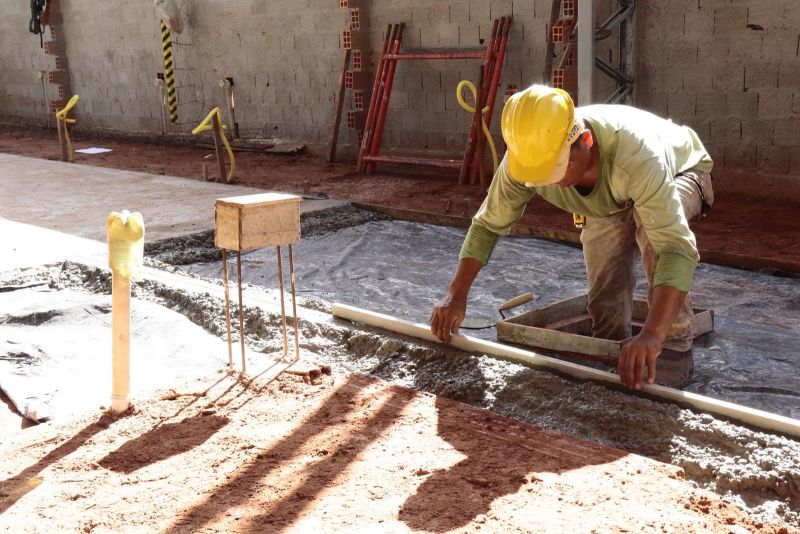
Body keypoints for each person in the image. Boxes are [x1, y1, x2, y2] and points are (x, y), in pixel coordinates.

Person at [430, 85, 714, 390]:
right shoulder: (526, 157)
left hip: (682, 173)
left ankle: (674, 348)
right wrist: (456, 295)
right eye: (541, 173)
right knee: (604, 278)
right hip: (614, 196)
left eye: (558, 168)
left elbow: (675, 248)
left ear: (586, 141)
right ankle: (613, 346)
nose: (554, 182)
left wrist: (653, 335)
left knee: (651, 225)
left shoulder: (636, 156)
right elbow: (487, 225)